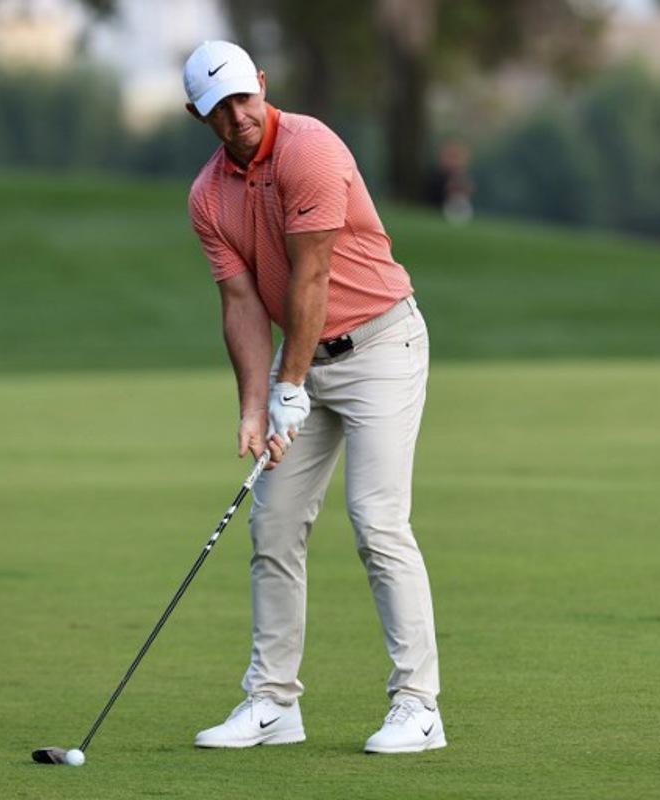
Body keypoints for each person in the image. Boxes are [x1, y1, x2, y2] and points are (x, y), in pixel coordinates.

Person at [182, 40, 444, 754]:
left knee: (376, 520)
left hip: (380, 346)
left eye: (244, 97)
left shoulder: (312, 149)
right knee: (272, 528)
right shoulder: (209, 196)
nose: (238, 116)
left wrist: (289, 386)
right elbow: (240, 304)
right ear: (196, 115)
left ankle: (419, 706)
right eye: (219, 107)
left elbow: (312, 278)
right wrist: (254, 404)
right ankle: (272, 704)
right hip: (303, 365)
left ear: (261, 85)